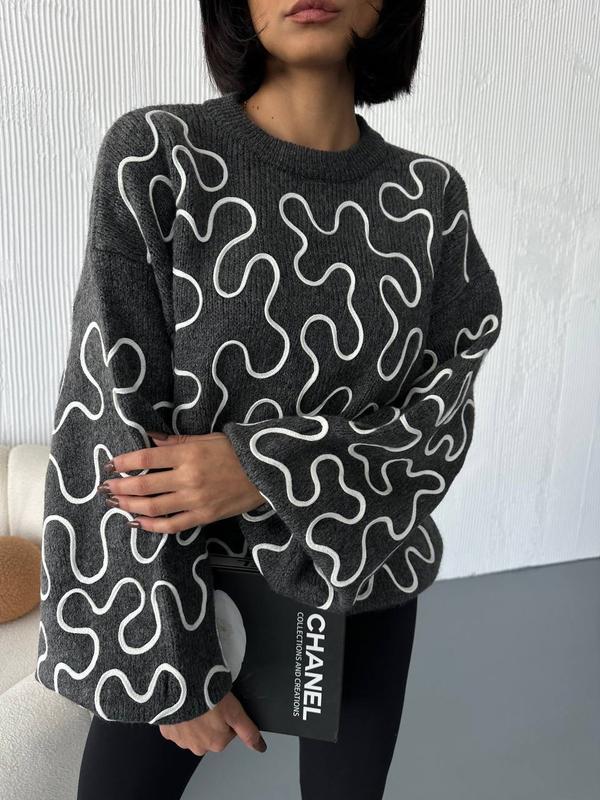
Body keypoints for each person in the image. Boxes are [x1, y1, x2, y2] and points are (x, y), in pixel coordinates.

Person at [35, 1, 503, 798]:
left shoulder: (428, 198)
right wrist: (170, 665)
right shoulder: (160, 155)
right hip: (177, 592)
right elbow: (106, 419)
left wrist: (264, 467)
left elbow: (439, 424)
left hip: (364, 587)